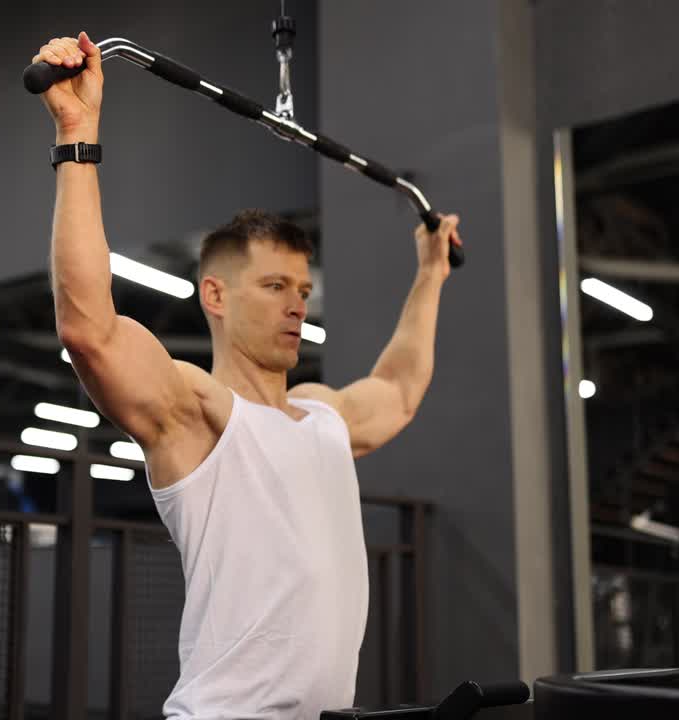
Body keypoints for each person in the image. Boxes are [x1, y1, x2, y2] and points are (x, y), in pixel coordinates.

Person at [34, 32, 462, 720]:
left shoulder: (324, 416)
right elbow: (90, 330)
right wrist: (77, 134)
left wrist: (431, 275)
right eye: (272, 285)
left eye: (300, 286)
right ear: (216, 296)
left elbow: (401, 389)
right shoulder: (197, 414)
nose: (296, 302)